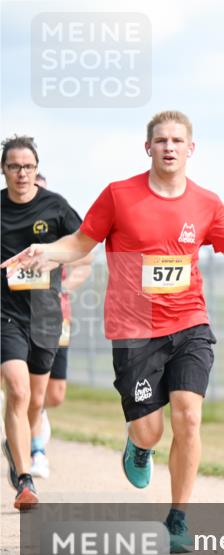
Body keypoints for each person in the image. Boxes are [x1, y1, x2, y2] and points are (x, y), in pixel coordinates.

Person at [2, 111, 224, 549]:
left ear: (191, 148)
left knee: (188, 414)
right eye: (161, 140)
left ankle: (178, 519)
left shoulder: (206, 203)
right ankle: (140, 446)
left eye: (177, 140)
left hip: (189, 323)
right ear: (148, 147)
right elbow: (81, 242)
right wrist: (45, 249)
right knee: (150, 430)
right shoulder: (118, 195)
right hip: (134, 331)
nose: (169, 147)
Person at [1, 136, 82, 510]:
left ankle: (17, 441)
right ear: (4, 170)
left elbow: (85, 246)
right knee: (17, 391)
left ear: (37, 169)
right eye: (14, 166)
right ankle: (24, 479)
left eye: (28, 166)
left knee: (36, 399)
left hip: (46, 316)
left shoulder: (55, 206)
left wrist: (53, 259)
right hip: (5, 315)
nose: (21, 173)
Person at [28, 172, 95, 478]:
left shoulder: (59, 227)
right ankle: (35, 450)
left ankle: (34, 410)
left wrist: (64, 288)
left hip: (57, 315)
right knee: (23, 386)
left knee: (54, 395)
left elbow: (84, 263)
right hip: (14, 316)